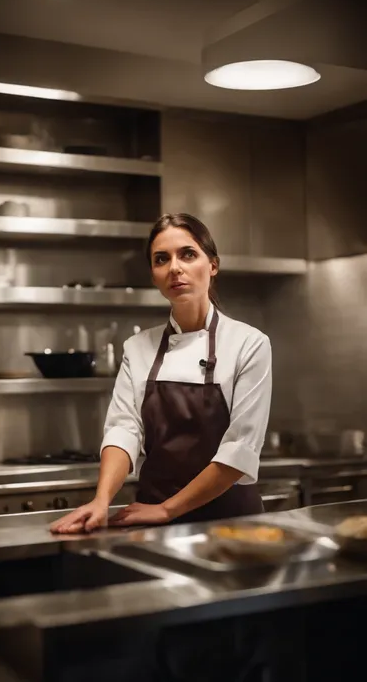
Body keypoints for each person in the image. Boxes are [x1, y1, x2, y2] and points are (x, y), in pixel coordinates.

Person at [50, 213, 272, 534]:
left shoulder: (248, 344)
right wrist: (101, 500)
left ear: (212, 265)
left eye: (188, 254)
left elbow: (240, 449)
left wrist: (168, 510)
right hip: (153, 523)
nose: (175, 268)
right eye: (161, 259)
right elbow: (124, 430)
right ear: (154, 276)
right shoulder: (138, 347)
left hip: (229, 523)